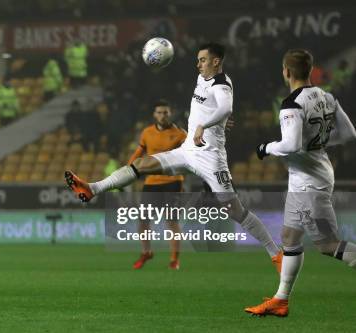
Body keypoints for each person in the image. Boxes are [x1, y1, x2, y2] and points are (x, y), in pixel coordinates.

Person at [64, 43, 282, 271]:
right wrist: (213, 122)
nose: (198, 64)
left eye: (203, 60)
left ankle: (276, 254)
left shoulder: (221, 83)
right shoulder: (202, 79)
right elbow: (210, 109)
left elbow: (225, 108)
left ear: (216, 61)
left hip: (210, 157)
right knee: (140, 164)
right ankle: (92, 189)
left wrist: (205, 125)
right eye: (198, 59)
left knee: (235, 210)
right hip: (188, 151)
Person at [245, 49, 356, 317]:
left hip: (309, 185)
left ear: (286, 72)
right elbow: (350, 133)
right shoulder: (326, 96)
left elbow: (291, 145)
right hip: (308, 178)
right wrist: (317, 143)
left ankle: (281, 299)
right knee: (290, 238)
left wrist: (266, 147)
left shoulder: (292, 104)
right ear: (309, 70)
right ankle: (281, 300)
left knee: (328, 245)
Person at [129, 100, 187, 270]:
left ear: (170, 114)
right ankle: (146, 252)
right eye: (159, 112)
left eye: (165, 112)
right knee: (143, 221)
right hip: (151, 181)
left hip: (173, 182)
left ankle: (174, 260)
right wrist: (129, 170)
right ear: (154, 115)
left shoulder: (180, 134)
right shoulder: (147, 133)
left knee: (171, 222)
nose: (162, 115)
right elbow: (138, 153)